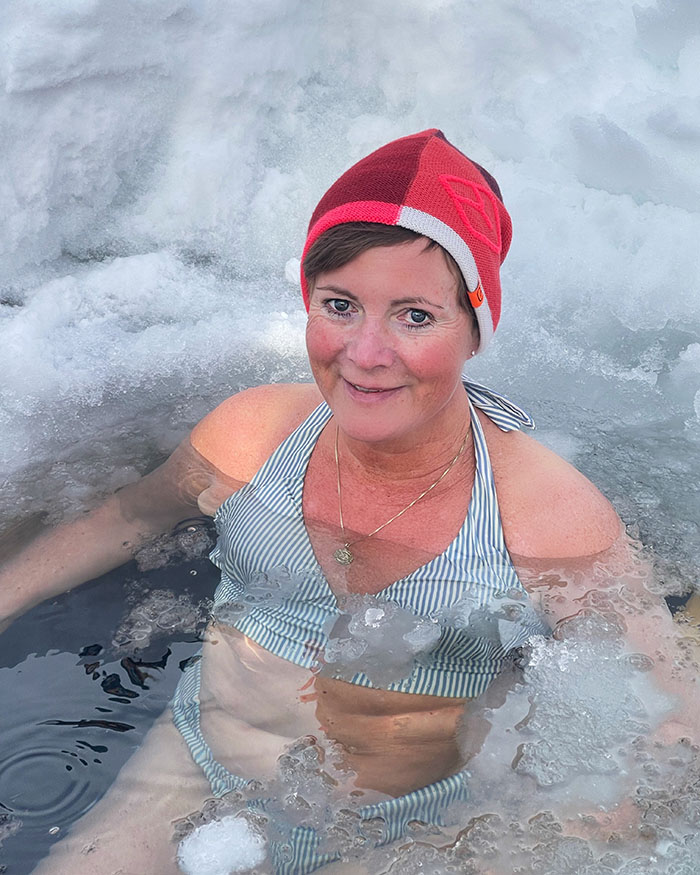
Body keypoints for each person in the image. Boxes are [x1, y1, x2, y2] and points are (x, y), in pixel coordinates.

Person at [1, 129, 694, 875]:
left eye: (414, 315)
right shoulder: (251, 438)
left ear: (474, 328)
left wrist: (508, 848)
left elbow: (666, 729)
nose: (365, 354)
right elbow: (127, 517)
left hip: (403, 833)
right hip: (192, 769)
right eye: (340, 305)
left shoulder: (545, 516)